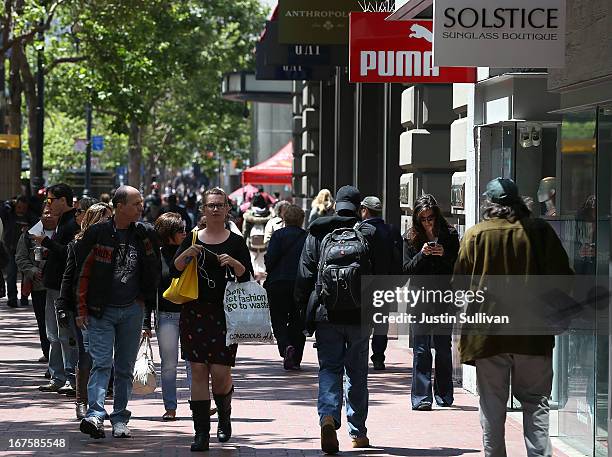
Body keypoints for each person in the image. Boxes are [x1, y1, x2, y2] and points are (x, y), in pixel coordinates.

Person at [454, 178, 572, 457]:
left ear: (489, 204)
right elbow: (563, 279)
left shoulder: (476, 235)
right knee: (536, 404)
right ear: (519, 202)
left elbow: (458, 285)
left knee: (492, 407)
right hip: (532, 334)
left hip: (488, 336)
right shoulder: (539, 231)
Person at [294, 185, 375, 454]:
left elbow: (305, 276)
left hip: (326, 314)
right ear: (358, 207)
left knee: (329, 369)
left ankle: (328, 417)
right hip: (360, 315)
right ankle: (358, 433)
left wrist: (302, 311)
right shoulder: (368, 233)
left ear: (335, 205)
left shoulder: (318, 231)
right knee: (357, 373)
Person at [76, 186, 160, 439]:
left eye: (141, 203)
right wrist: (80, 309)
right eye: (135, 203)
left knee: (124, 368)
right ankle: (95, 415)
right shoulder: (97, 233)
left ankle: (120, 417)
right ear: (119, 206)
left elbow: (153, 272)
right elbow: (81, 274)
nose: (140, 207)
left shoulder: (145, 234)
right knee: (101, 364)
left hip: (132, 310)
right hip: (101, 311)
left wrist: (144, 309)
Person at [171, 187, 252, 452]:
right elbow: (175, 268)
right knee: (197, 371)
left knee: (220, 373)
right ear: (203, 210)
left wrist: (235, 264)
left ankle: (224, 414)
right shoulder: (194, 237)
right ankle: (201, 432)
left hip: (225, 314)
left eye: (220, 205)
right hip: (194, 312)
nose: (215, 209)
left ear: (228, 208)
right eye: (210, 205)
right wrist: (188, 253)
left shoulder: (237, 242)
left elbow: (246, 277)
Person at [56, 201, 111, 419]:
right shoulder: (76, 245)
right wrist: (62, 306)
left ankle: (98, 400)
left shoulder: (115, 243)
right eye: (106, 218)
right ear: (95, 220)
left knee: (104, 355)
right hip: (82, 308)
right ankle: (82, 401)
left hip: (108, 306)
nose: (110, 222)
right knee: (86, 354)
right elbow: (68, 277)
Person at [403, 194, 459, 410]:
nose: (427, 222)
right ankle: (421, 397)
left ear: (437, 216)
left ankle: (444, 395)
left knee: (443, 348)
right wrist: (422, 255)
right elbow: (405, 271)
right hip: (420, 299)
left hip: (444, 298)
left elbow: (458, 266)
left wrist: (444, 254)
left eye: (431, 218)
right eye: (423, 219)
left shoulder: (450, 235)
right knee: (421, 349)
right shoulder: (410, 238)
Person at [33, 184, 80, 395]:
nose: (48, 205)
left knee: (65, 334)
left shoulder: (73, 224)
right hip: (52, 285)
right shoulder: (60, 222)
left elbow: (69, 254)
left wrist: (47, 243)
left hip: (63, 288)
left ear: (63, 200)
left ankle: (70, 378)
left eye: (51, 200)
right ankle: (57, 376)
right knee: (53, 334)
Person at [143, 212, 189, 421]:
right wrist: (146, 322)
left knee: (193, 363)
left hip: (191, 314)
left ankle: (200, 404)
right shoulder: (156, 256)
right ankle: (170, 407)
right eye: (180, 230)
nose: (185, 233)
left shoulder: (191, 253)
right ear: (168, 233)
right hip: (166, 315)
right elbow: (149, 291)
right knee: (169, 364)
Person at [359, 196, 403, 371]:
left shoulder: (361, 230)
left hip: (364, 284)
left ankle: (361, 356)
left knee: (363, 322)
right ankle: (378, 358)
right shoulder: (391, 230)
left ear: (365, 210)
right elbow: (398, 258)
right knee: (381, 322)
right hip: (385, 284)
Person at [264, 205, 307, 370]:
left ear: (285, 219)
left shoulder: (278, 235)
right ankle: (295, 358)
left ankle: (285, 346)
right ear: (301, 219)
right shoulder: (306, 237)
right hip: (299, 284)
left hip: (278, 283)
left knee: (278, 318)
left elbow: (271, 258)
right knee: (298, 320)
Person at [15, 209, 58, 363]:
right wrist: (33, 271)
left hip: (59, 286)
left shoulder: (64, 232)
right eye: (45, 212)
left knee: (61, 323)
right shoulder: (29, 235)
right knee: (43, 321)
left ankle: (59, 359)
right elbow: (20, 258)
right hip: (39, 286)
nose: (48, 215)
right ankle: (47, 353)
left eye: (52, 212)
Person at [0, 195, 38, 307]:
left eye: (24, 208)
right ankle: (12, 298)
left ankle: (24, 297)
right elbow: (1, 210)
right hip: (10, 250)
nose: (21, 210)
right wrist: (8, 203)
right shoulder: (9, 215)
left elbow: (37, 226)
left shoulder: (30, 217)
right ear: (16, 206)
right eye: (19, 207)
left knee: (26, 274)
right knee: (11, 274)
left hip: (26, 250)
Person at [242, 194, 272, 279]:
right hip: (264, 242)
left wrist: (243, 241)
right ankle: (263, 279)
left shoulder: (249, 214)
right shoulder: (268, 214)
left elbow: (245, 230)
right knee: (262, 259)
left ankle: (255, 277)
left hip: (252, 241)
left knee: (253, 258)